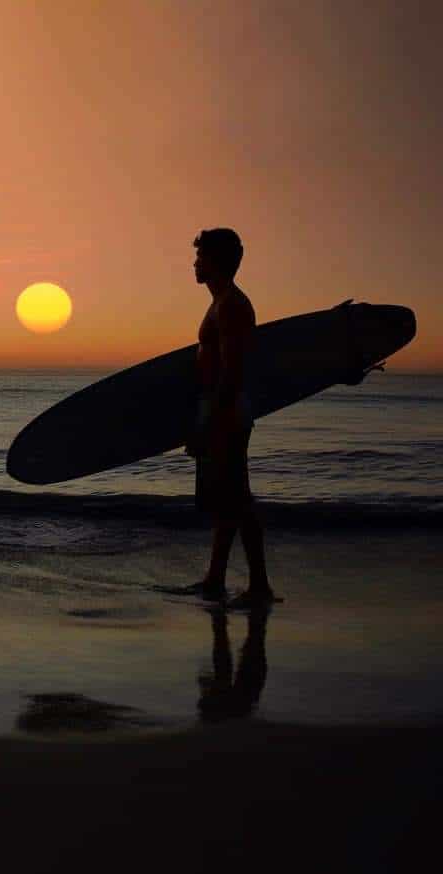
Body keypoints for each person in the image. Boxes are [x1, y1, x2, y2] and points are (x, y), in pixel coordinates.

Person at [185, 228, 275, 607]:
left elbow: (232, 371)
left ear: (217, 260)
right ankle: (215, 578)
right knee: (227, 498)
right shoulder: (220, 302)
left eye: (202, 256)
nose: (195, 263)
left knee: (237, 497)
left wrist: (210, 422)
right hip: (218, 406)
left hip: (226, 410)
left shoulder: (232, 306)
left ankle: (260, 587)